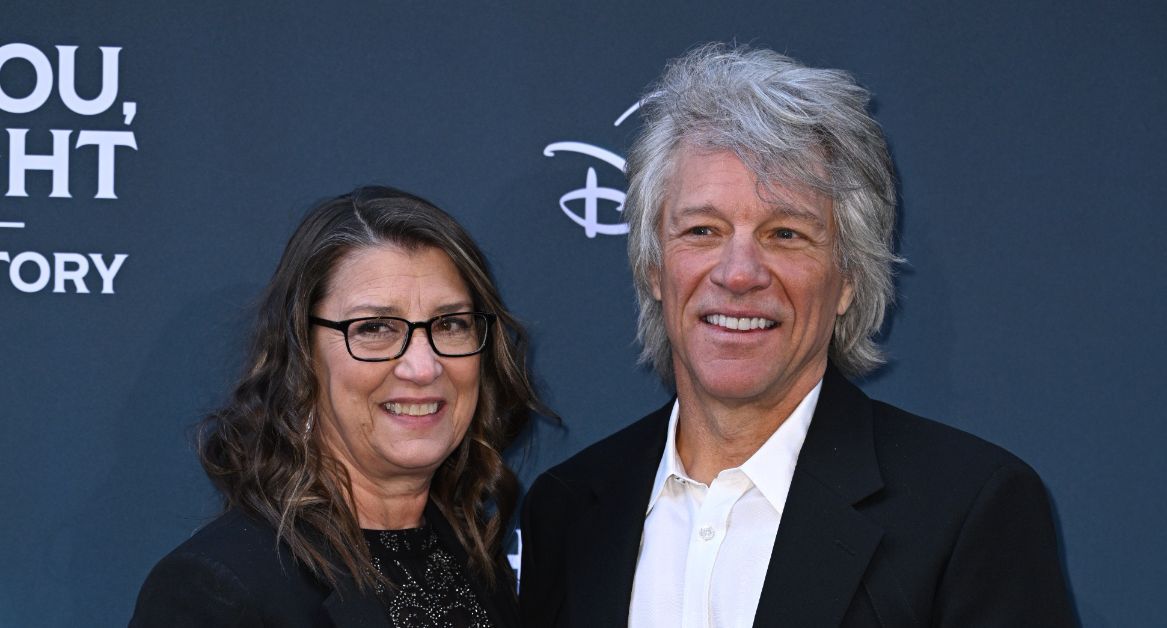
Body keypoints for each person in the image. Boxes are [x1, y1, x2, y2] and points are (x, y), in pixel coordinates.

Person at [519, 44, 1077, 627]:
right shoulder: (569, 510)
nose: (738, 274)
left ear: (848, 280)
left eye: (785, 234)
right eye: (703, 230)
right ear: (655, 268)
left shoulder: (966, 510)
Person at [131, 186, 541, 627]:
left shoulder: (472, 557)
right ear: (301, 357)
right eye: (375, 327)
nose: (423, 367)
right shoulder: (219, 591)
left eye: (450, 324)